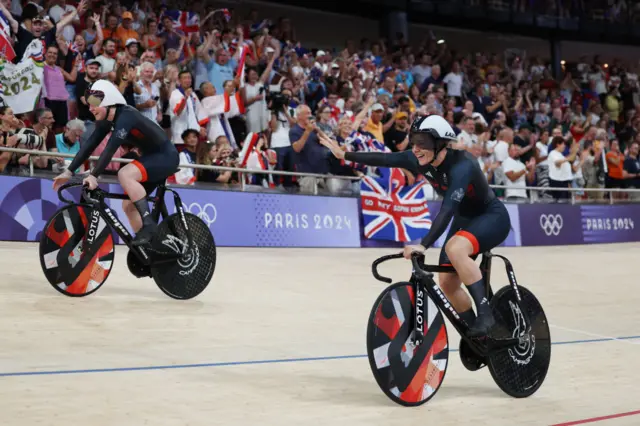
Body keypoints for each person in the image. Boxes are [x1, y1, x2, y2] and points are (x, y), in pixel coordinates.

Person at [320, 114, 511, 340]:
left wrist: (424, 245)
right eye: (414, 142)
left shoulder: (463, 165)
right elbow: (384, 159)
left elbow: (447, 210)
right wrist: (345, 155)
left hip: (491, 216)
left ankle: (486, 315)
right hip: (465, 219)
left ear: (440, 144)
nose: (417, 149)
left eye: (423, 143)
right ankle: (478, 337)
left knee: (455, 248)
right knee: (447, 284)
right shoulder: (417, 158)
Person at [52, 79, 180, 246]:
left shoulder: (126, 116)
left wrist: (94, 175)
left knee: (124, 173)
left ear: (108, 102)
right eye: (89, 105)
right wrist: (68, 172)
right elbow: (90, 145)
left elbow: (110, 148)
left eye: (94, 104)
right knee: (129, 206)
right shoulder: (107, 120)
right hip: (152, 157)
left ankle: (149, 226)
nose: (90, 109)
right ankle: (150, 249)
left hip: (166, 156)